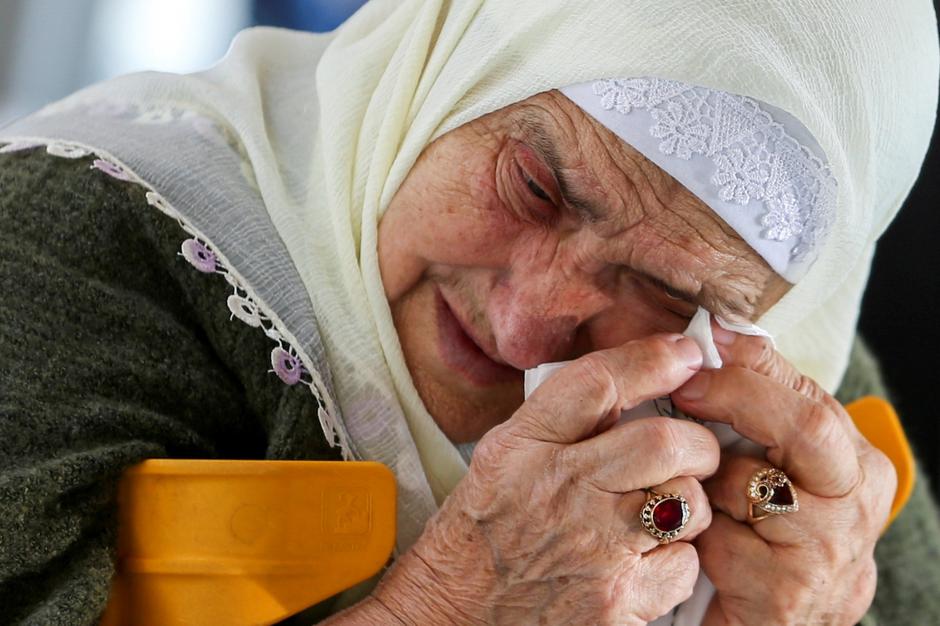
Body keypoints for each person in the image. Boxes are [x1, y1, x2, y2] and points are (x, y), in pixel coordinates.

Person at [1, 1, 938, 624]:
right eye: (535, 186)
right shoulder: (70, 248)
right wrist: (450, 608)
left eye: (665, 292)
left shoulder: (776, 406)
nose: (528, 327)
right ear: (453, 70)